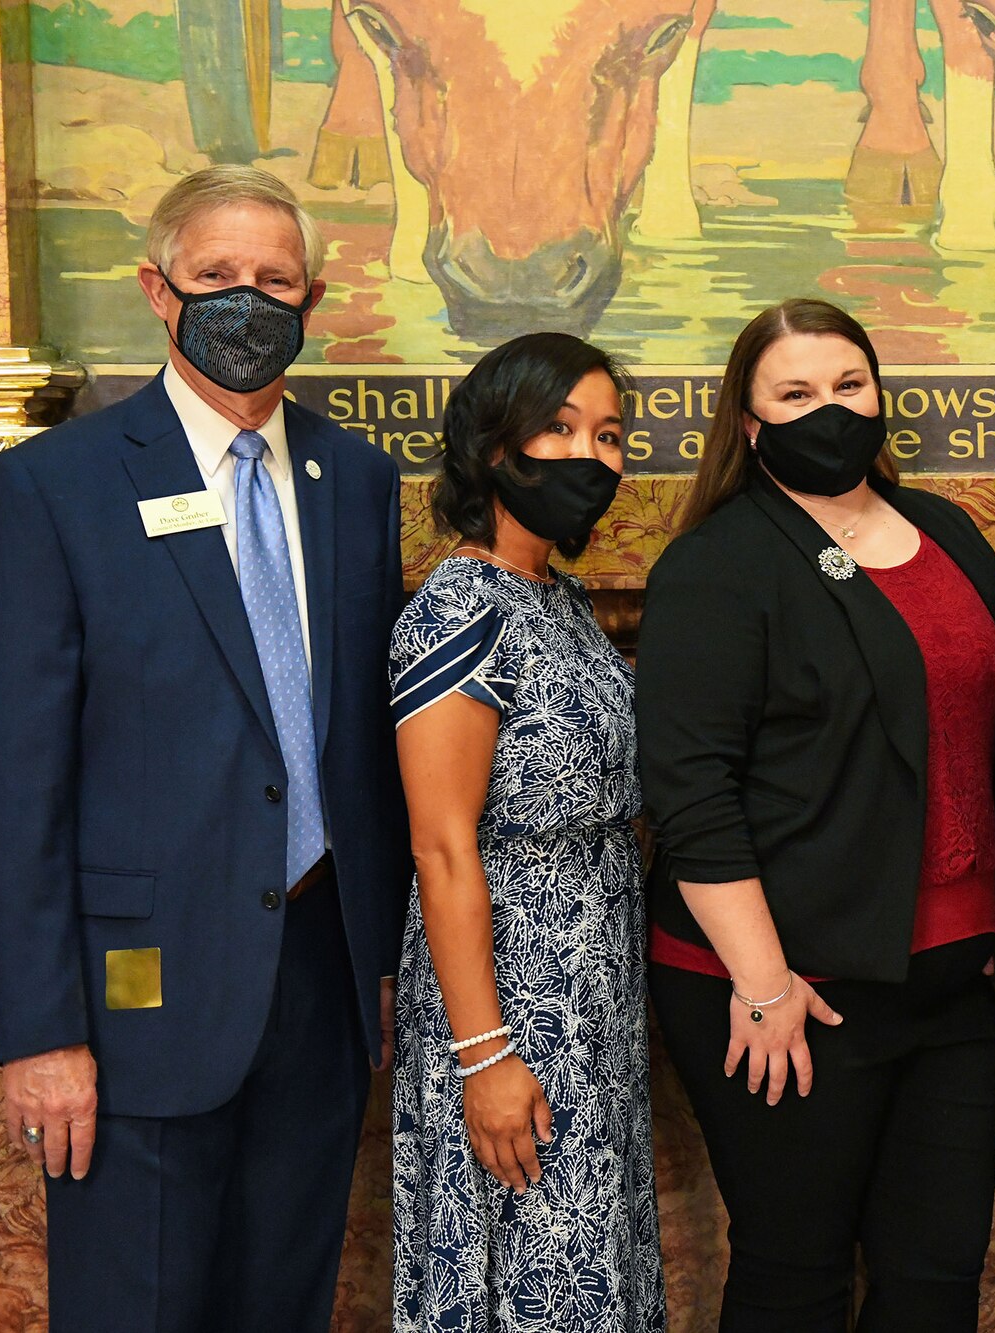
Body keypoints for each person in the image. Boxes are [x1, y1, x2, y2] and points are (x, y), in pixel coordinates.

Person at [0, 165, 409, 1331]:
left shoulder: (354, 480)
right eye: (217, 277)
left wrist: (382, 959)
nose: (246, 300)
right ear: (159, 291)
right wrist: (43, 1030)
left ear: (312, 299)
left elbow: (358, 741)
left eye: (274, 280)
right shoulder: (51, 487)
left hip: (317, 979)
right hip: (131, 997)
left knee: (283, 1304)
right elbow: (17, 787)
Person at [634, 297, 995, 1330]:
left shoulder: (944, 529)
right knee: (793, 1278)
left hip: (949, 985)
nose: (829, 409)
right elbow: (692, 792)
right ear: (749, 426)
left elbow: (994, 733)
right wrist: (760, 984)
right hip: (785, 993)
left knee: (935, 1280)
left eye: (848, 384)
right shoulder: (717, 565)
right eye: (795, 393)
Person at [387, 333, 666, 1329]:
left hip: (596, 1000)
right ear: (493, 447)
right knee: (532, 1267)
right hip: (512, 1006)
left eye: (608, 433)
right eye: (557, 428)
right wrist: (483, 1054)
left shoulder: (563, 600)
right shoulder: (460, 610)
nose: (589, 455)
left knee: (595, 1258)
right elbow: (441, 846)